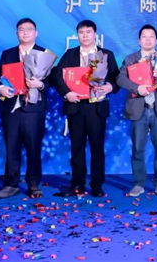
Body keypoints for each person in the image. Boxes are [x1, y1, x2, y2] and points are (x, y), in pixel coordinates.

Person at [53, 20, 120, 197]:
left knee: (97, 147)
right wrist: (67, 93)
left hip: (96, 107)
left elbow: (117, 78)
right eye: (81, 32)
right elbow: (57, 76)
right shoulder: (70, 54)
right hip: (75, 106)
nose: (84, 35)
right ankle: (77, 184)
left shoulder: (105, 55)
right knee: (77, 147)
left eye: (88, 32)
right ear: (77, 35)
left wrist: (110, 87)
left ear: (95, 34)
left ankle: (97, 185)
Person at [0, 18, 51, 199]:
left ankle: (34, 184)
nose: (25, 33)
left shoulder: (44, 54)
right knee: (12, 147)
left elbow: (53, 79)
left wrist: (40, 84)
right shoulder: (8, 54)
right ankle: (11, 184)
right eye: (21, 30)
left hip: (33, 108)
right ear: (17, 33)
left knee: (34, 147)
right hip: (12, 107)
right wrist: (0, 88)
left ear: (36, 33)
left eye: (29, 29)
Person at [117, 25, 157, 197]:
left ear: (156, 41)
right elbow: (120, 78)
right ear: (139, 40)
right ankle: (139, 183)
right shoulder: (130, 59)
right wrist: (137, 88)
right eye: (144, 36)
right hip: (139, 108)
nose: (148, 40)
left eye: (151, 37)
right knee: (138, 148)